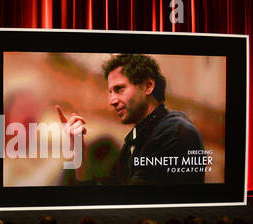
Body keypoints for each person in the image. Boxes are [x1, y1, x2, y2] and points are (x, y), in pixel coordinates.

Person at [56, 54, 206, 185]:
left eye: (119, 89)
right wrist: (78, 149)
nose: (112, 101)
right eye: (110, 92)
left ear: (148, 86)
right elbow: (103, 194)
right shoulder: (138, 137)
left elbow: (127, 202)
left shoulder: (175, 133)